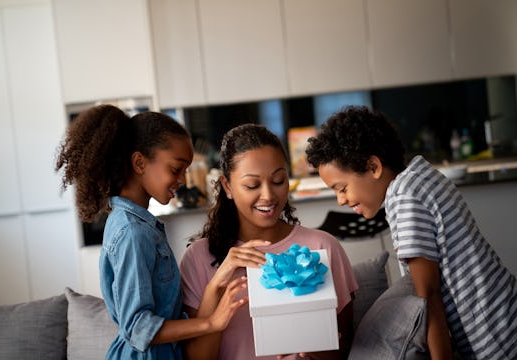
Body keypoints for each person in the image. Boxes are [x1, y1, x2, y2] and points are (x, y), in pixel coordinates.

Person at [305, 105, 517, 359]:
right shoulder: (420, 175)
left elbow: (426, 295)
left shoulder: (403, 197)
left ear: (373, 167)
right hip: (505, 312)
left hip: (495, 335)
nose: (341, 200)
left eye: (342, 188)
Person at [55, 104, 248, 359]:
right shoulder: (133, 232)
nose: (182, 180)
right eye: (176, 168)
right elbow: (138, 328)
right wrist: (212, 322)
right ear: (139, 163)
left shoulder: (137, 224)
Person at [180, 123, 358, 360]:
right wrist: (217, 288)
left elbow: (345, 348)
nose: (268, 195)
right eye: (252, 185)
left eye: (278, 180)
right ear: (227, 186)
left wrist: (311, 349)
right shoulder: (199, 257)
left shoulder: (323, 247)